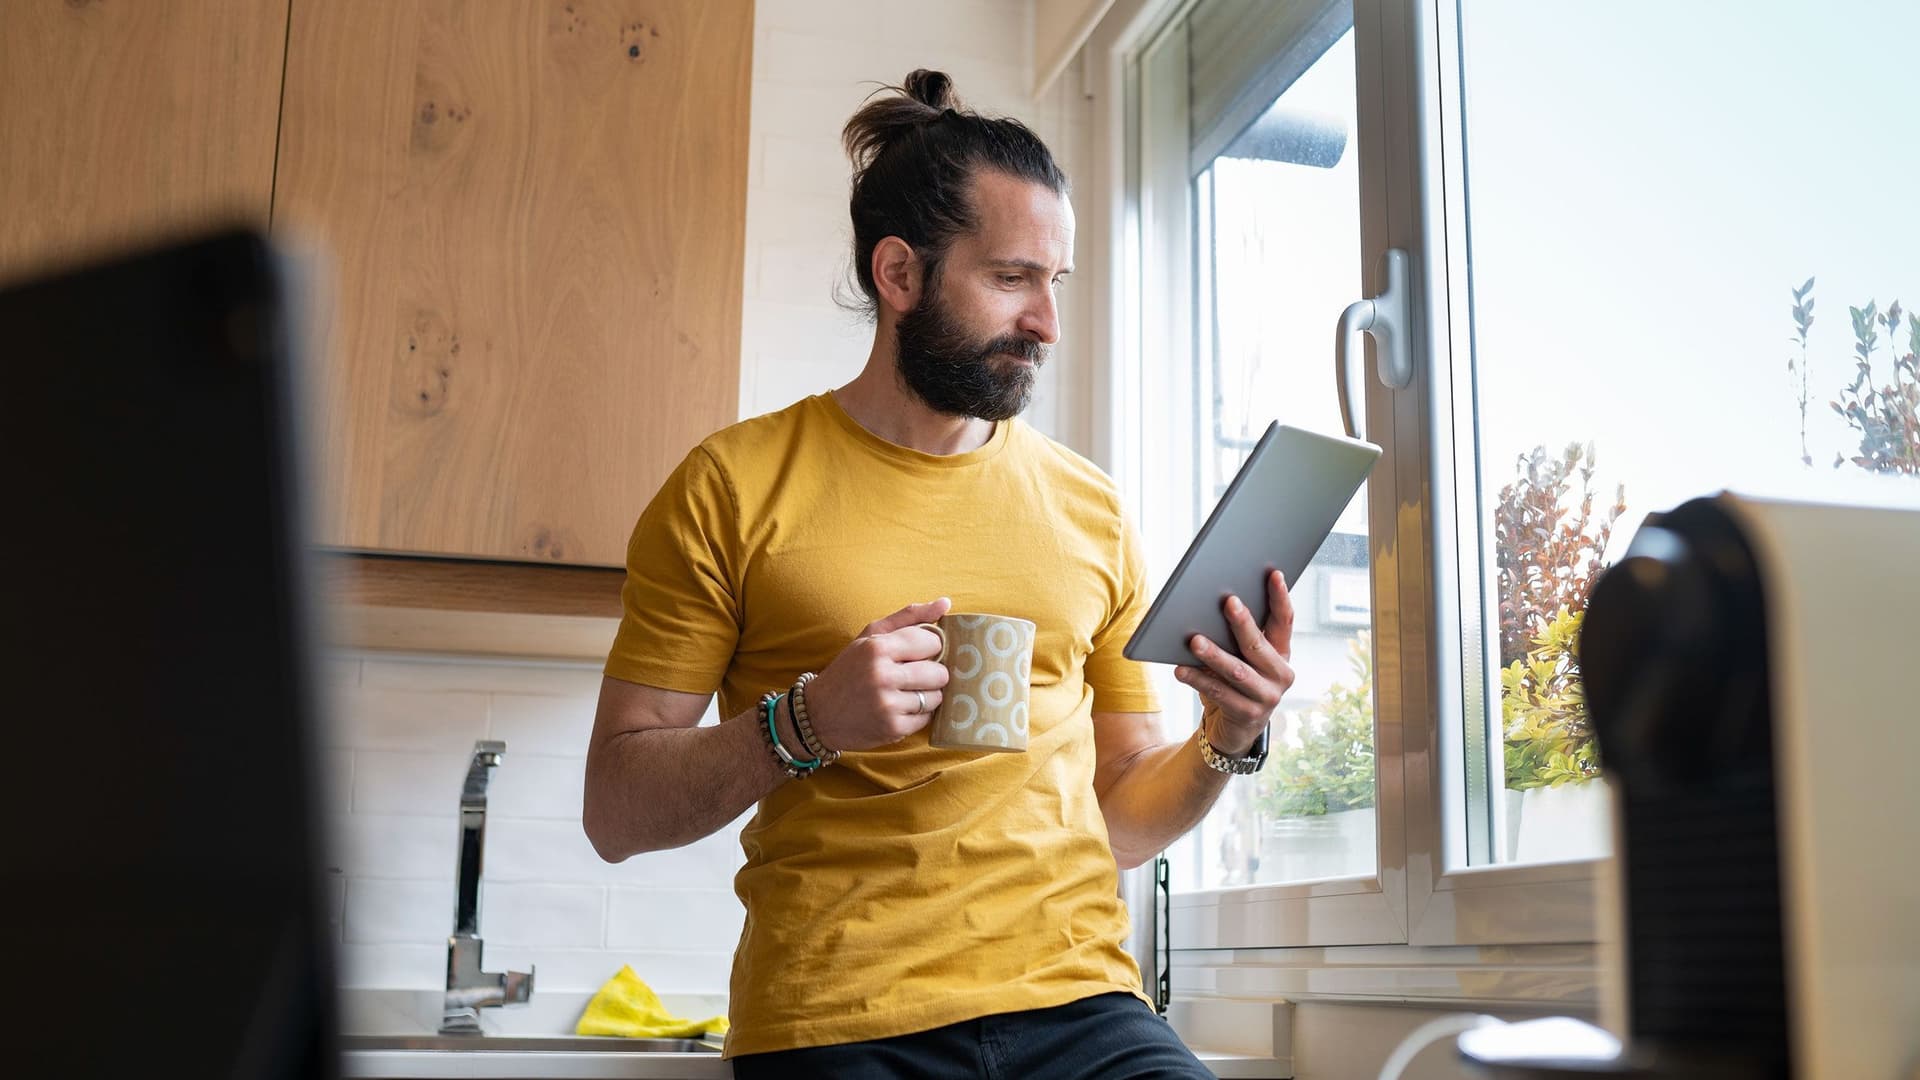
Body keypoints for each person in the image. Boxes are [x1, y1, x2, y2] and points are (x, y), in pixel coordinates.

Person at [583, 69, 1296, 1079]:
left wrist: (1231, 737)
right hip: (838, 1017)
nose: (1046, 323)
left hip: (1084, 1008)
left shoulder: (1090, 508)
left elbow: (1123, 811)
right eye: (1012, 278)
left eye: (1058, 283)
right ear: (900, 274)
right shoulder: (730, 487)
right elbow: (615, 808)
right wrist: (808, 721)